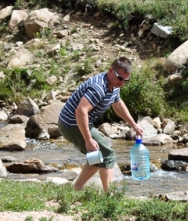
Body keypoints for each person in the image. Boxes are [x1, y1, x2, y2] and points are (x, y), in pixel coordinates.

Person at [57, 57, 144, 191]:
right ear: (110, 70)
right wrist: (88, 139)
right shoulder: (98, 87)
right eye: (120, 78)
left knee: (97, 157)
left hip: (78, 122)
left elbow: (118, 104)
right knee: (107, 155)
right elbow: (80, 111)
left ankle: (75, 190)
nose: (122, 82)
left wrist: (134, 125)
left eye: (126, 80)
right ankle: (109, 197)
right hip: (71, 123)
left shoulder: (114, 85)